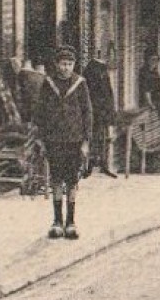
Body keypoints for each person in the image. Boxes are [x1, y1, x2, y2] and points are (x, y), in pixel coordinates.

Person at [32, 46, 91, 240]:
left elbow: (87, 113)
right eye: (63, 63)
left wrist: (86, 141)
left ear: (73, 65)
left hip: (74, 140)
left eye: (69, 64)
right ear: (56, 64)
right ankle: (57, 221)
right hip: (54, 139)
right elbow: (40, 112)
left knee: (72, 180)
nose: (66, 67)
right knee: (56, 179)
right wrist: (40, 138)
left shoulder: (80, 84)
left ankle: (71, 222)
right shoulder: (48, 83)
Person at [82, 49, 118, 177]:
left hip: (100, 111)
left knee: (101, 138)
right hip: (95, 111)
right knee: (94, 137)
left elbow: (108, 94)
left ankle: (101, 163)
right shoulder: (94, 70)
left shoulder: (102, 70)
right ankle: (91, 164)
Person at [138, 52, 160, 122]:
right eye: (152, 60)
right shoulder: (144, 72)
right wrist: (150, 104)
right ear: (147, 60)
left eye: (157, 60)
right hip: (152, 102)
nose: (155, 62)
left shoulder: (155, 72)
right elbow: (146, 90)